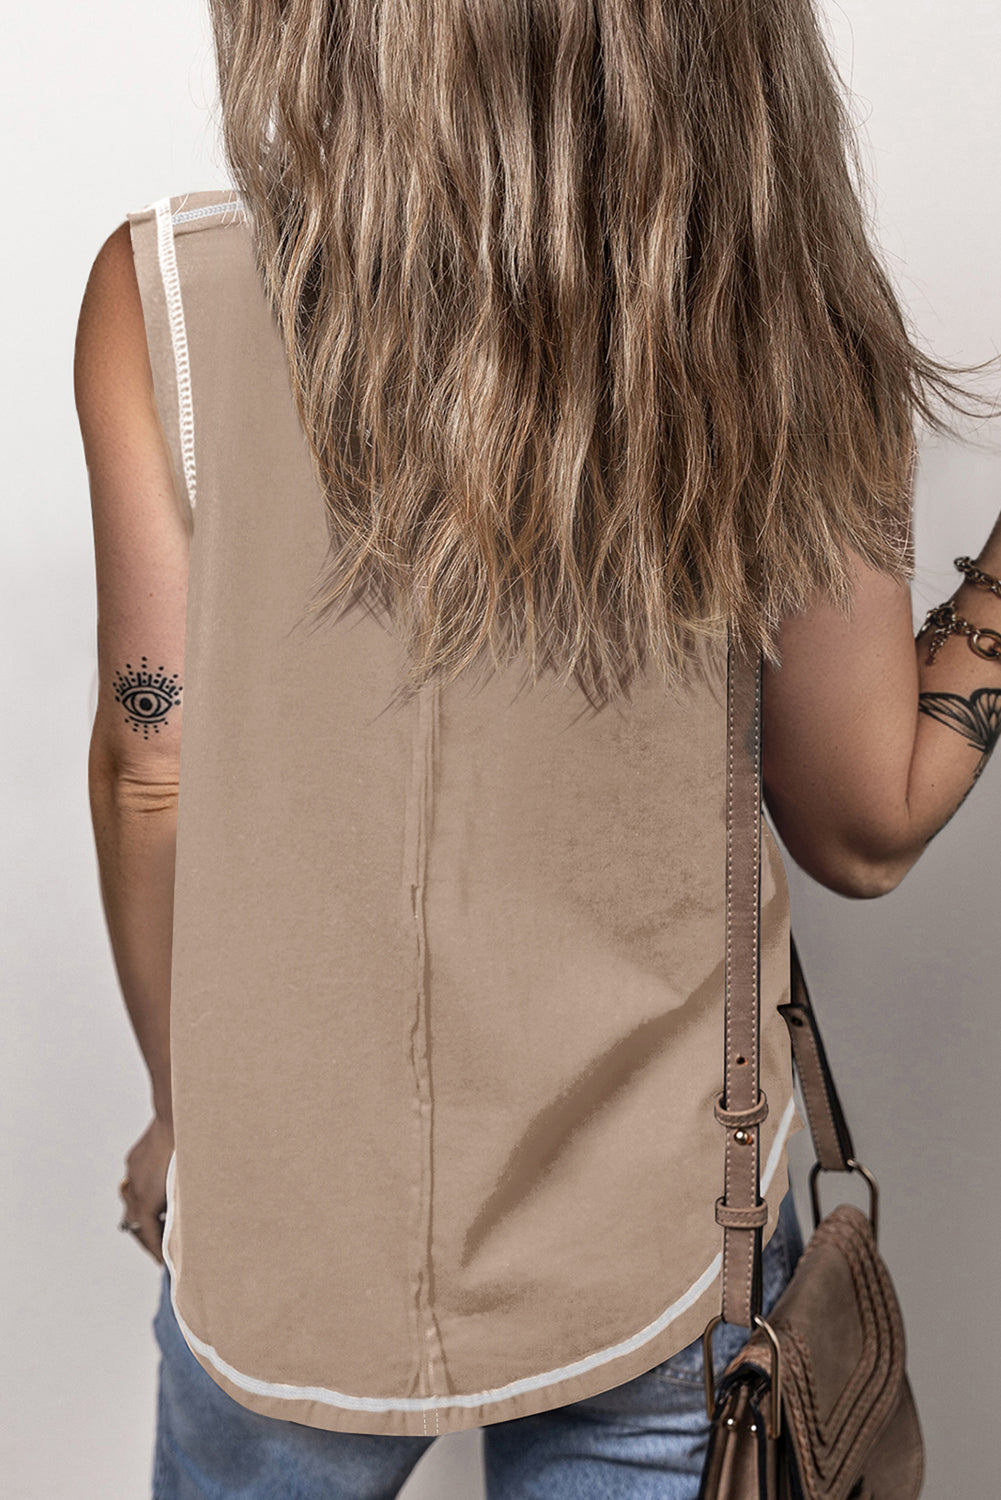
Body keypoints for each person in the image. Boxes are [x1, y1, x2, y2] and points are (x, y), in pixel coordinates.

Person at [74, 3, 1000, 1497]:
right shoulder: (777, 321)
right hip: (660, 1244)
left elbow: (151, 768)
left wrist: (188, 1119)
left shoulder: (168, 299)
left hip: (275, 1229)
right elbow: (864, 825)